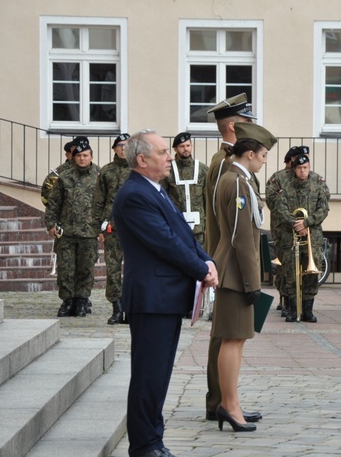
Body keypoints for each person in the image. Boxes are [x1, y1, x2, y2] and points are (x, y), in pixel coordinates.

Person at [113, 130, 218, 457]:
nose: (171, 156)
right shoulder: (134, 194)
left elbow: (182, 233)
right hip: (151, 299)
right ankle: (145, 446)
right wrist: (201, 269)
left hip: (164, 298)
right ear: (142, 159)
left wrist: (206, 258)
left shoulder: (154, 190)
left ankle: (153, 441)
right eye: (162, 152)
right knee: (148, 376)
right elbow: (164, 242)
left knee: (157, 376)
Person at [211, 121, 277, 432]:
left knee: (236, 340)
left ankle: (231, 402)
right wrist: (253, 281)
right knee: (233, 340)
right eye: (263, 155)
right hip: (236, 273)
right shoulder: (237, 182)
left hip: (235, 271)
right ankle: (229, 405)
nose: (265, 161)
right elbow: (240, 236)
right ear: (249, 154)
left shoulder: (237, 179)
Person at [203, 93, 259, 424]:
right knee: (225, 335)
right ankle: (220, 400)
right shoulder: (227, 163)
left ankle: (224, 399)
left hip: (225, 256)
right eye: (250, 123)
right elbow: (228, 221)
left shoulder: (225, 160)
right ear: (236, 126)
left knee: (226, 334)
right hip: (228, 259)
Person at [45, 140, 101, 318]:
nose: (82, 158)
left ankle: (82, 301)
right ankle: (67, 301)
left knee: (85, 269)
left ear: (91, 156)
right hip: (67, 232)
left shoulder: (100, 176)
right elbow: (54, 203)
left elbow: (107, 202)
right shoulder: (64, 177)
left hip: (89, 232)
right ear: (73, 157)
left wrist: (104, 226)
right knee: (65, 269)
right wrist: (50, 223)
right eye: (78, 156)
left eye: (85, 155)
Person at [273, 154, 330, 322]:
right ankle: (291, 309)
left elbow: (323, 209)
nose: (303, 171)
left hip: (313, 236)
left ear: (309, 167)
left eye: (305, 167)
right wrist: (295, 224)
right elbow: (280, 208)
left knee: (311, 273)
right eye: (299, 168)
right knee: (290, 273)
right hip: (289, 237)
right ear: (294, 169)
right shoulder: (286, 186)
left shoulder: (317, 185)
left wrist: (307, 222)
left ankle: (308, 310)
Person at [92, 133, 131, 325]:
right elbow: (98, 200)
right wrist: (98, 227)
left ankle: (131, 308)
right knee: (113, 267)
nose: (123, 148)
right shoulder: (106, 171)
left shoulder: (138, 170)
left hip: (135, 225)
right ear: (114, 148)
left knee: (134, 268)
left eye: (127, 145)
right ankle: (117, 307)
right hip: (112, 226)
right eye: (120, 145)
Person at [162, 132, 209, 245]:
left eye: (188, 145)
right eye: (182, 146)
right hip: (176, 225)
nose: (186, 149)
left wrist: (208, 225)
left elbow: (208, 197)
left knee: (199, 259)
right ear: (175, 149)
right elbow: (163, 197)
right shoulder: (168, 170)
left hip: (198, 228)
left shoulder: (202, 169)